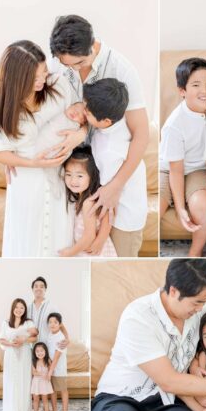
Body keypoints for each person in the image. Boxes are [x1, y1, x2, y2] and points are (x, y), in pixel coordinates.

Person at [91, 258, 206, 411]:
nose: (200, 308)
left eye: (205, 301)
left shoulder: (203, 311)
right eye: (197, 302)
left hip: (168, 400)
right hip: (120, 397)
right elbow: (168, 381)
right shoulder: (138, 316)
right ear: (174, 291)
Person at [49, 15, 150, 252]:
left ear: (93, 45)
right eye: (67, 65)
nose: (73, 69)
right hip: (84, 183)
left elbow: (141, 135)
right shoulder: (61, 63)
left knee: (122, 258)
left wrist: (115, 186)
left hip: (120, 186)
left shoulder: (122, 70)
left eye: (80, 63)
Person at [0, 41, 86, 257]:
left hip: (61, 179)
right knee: (27, 244)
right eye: (35, 77)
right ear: (17, 79)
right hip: (27, 184)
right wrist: (32, 163)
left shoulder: (58, 86)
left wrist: (81, 134)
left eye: (44, 72)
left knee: (59, 242)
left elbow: (84, 115)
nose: (42, 80)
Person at [83, 79, 147, 257]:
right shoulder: (117, 123)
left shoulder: (110, 151)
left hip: (124, 221)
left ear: (105, 120)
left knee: (122, 260)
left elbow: (109, 200)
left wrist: (100, 239)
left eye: (87, 112)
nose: (83, 112)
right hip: (125, 212)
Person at [160, 58, 206, 257]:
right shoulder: (174, 124)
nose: (205, 91)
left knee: (203, 204)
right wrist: (181, 208)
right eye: (196, 85)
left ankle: (195, 253)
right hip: (168, 169)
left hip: (198, 170)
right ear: (182, 91)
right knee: (155, 207)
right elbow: (175, 170)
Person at [60, 145, 117, 258]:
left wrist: (69, 253)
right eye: (68, 174)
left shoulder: (88, 203)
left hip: (91, 253)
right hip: (88, 250)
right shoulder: (84, 199)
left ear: (92, 177)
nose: (73, 180)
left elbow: (89, 236)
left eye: (80, 176)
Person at [0, 298, 37, 411]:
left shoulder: (28, 322)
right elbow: (1, 339)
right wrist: (12, 344)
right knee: (11, 381)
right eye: (17, 307)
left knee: (23, 380)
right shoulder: (6, 323)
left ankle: (23, 410)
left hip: (24, 354)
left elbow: (35, 337)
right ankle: (11, 410)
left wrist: (23, 340)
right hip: (10, 355)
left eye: (22, 308)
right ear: (13, 308)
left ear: (24, 310)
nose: (19, 310)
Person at [28, 276, 69, 346]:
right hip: (31, 348)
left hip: (47, 347)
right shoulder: (28, 308)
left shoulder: (51, 306)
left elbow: (60, 324)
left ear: (45, 290)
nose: (38, 288)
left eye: (41, 287)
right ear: (32, 289)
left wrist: (67, 338)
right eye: (36, 286)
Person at [47, 313, 69, 411]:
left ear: (60, 324)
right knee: (53, 391)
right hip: (51, 367)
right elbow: (49, 353)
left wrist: (50, 370)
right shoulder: (50, 335)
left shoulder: (61, 337)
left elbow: (56, 357)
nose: (52, 324)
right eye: (50, 322)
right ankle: (54, 410)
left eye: (55, 322)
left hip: (59, 369)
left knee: (63, 390)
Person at [31, 342, 54, 411]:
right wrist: (42, 374)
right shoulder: (34, 361)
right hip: (36, 383)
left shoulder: (48, 360)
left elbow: (51, 370)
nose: (40, 353)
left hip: (44, 383)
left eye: (41, 351)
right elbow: (34, 372)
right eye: (37, 351)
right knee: (36, 399)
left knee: (45, 400)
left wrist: (48, 375)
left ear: (45, 351)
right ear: (35, 353)